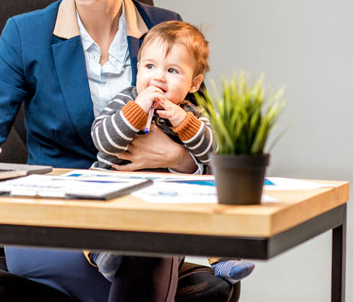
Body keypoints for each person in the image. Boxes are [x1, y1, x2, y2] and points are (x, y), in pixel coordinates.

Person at [0, 0, 198, 302]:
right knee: (144, 266)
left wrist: (174, 157)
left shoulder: (165, 29)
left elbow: (207, 140)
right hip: (53, 219)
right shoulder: (25, 34)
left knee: (144, 246)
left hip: (143, 208)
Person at [88, 20, 256, 284]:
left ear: (193, 83)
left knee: (211, 200)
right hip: (114, 187)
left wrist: (184, 123)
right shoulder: (126, 101)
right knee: (93, 220)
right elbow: (103, 139)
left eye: (173, 70)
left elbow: (215, 152)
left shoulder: (192, 113)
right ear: (138, 69)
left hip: (166, 197)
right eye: (150, 66)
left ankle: (224, 258)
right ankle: (106, 256)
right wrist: (137, 109)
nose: (158, 77)